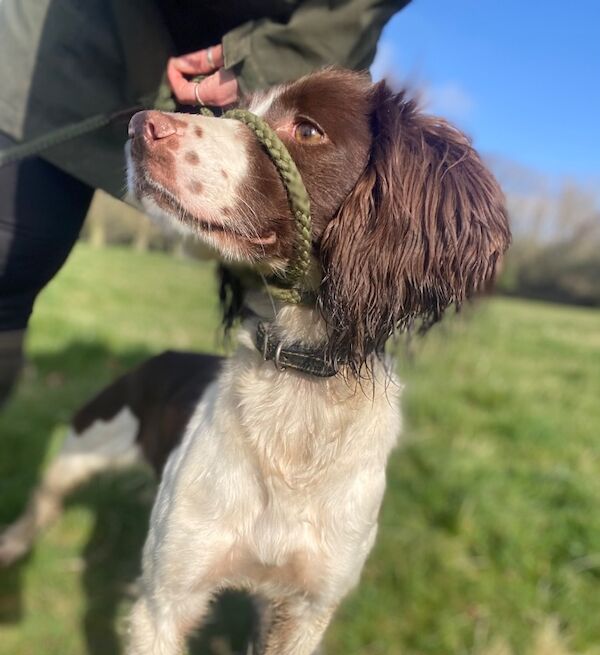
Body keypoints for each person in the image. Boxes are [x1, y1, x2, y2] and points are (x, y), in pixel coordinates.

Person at [0, 0, 410, 406]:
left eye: (305, 131)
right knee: (12, 257)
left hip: (281, 56)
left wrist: (268, 59)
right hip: (74, 42)